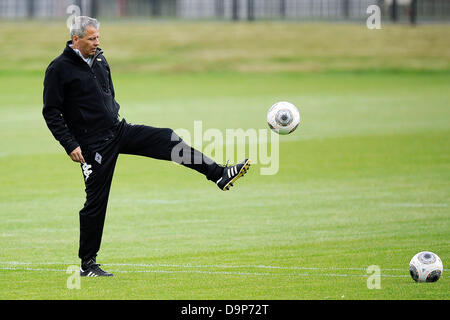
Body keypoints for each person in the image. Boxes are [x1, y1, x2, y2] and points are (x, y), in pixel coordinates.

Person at [42, 16, 250, 277]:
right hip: (92, 145)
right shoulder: (59, 68)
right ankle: (88, 264)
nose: (97, 42)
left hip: (118, 130)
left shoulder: (99, 59)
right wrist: (70, 144)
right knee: (96, 203)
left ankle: (218, 174)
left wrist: (112, 114)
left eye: (98, 37)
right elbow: (51, 112)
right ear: (76, 39)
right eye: (92, 38)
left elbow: (107, 95)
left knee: (167, 139)